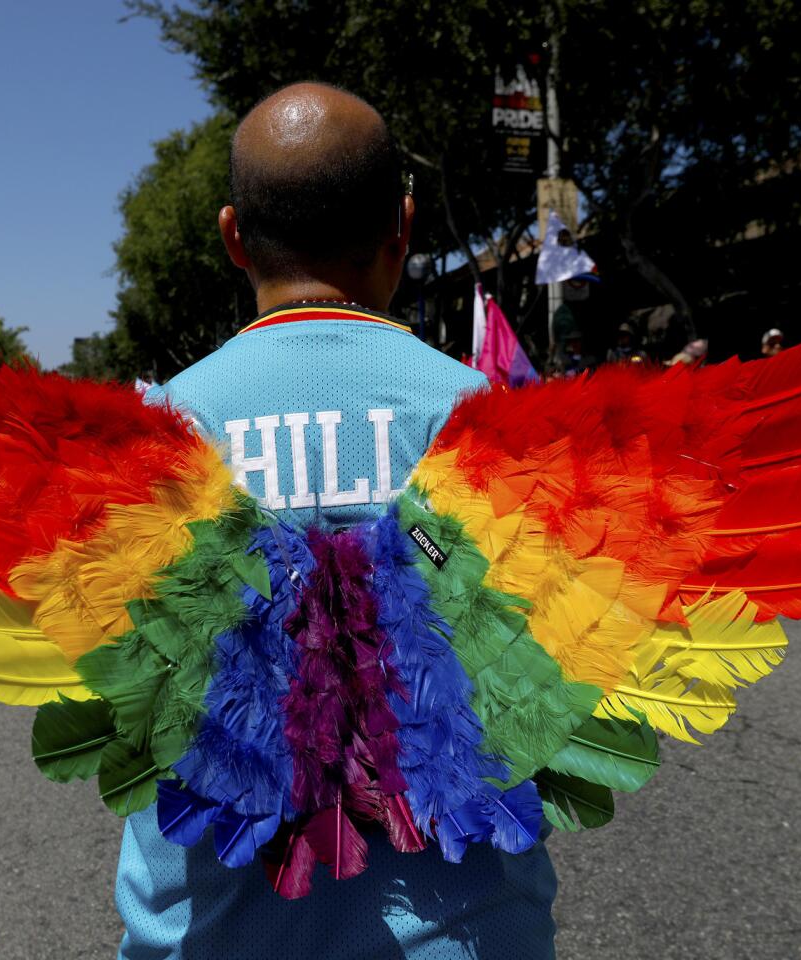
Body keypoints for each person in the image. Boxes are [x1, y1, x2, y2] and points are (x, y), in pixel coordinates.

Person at [120, 82, 556, 960]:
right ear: (403, 226)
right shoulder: (497, 422)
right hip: (464, 938)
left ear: (233, 236)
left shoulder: (154, 441)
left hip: (211, 941)